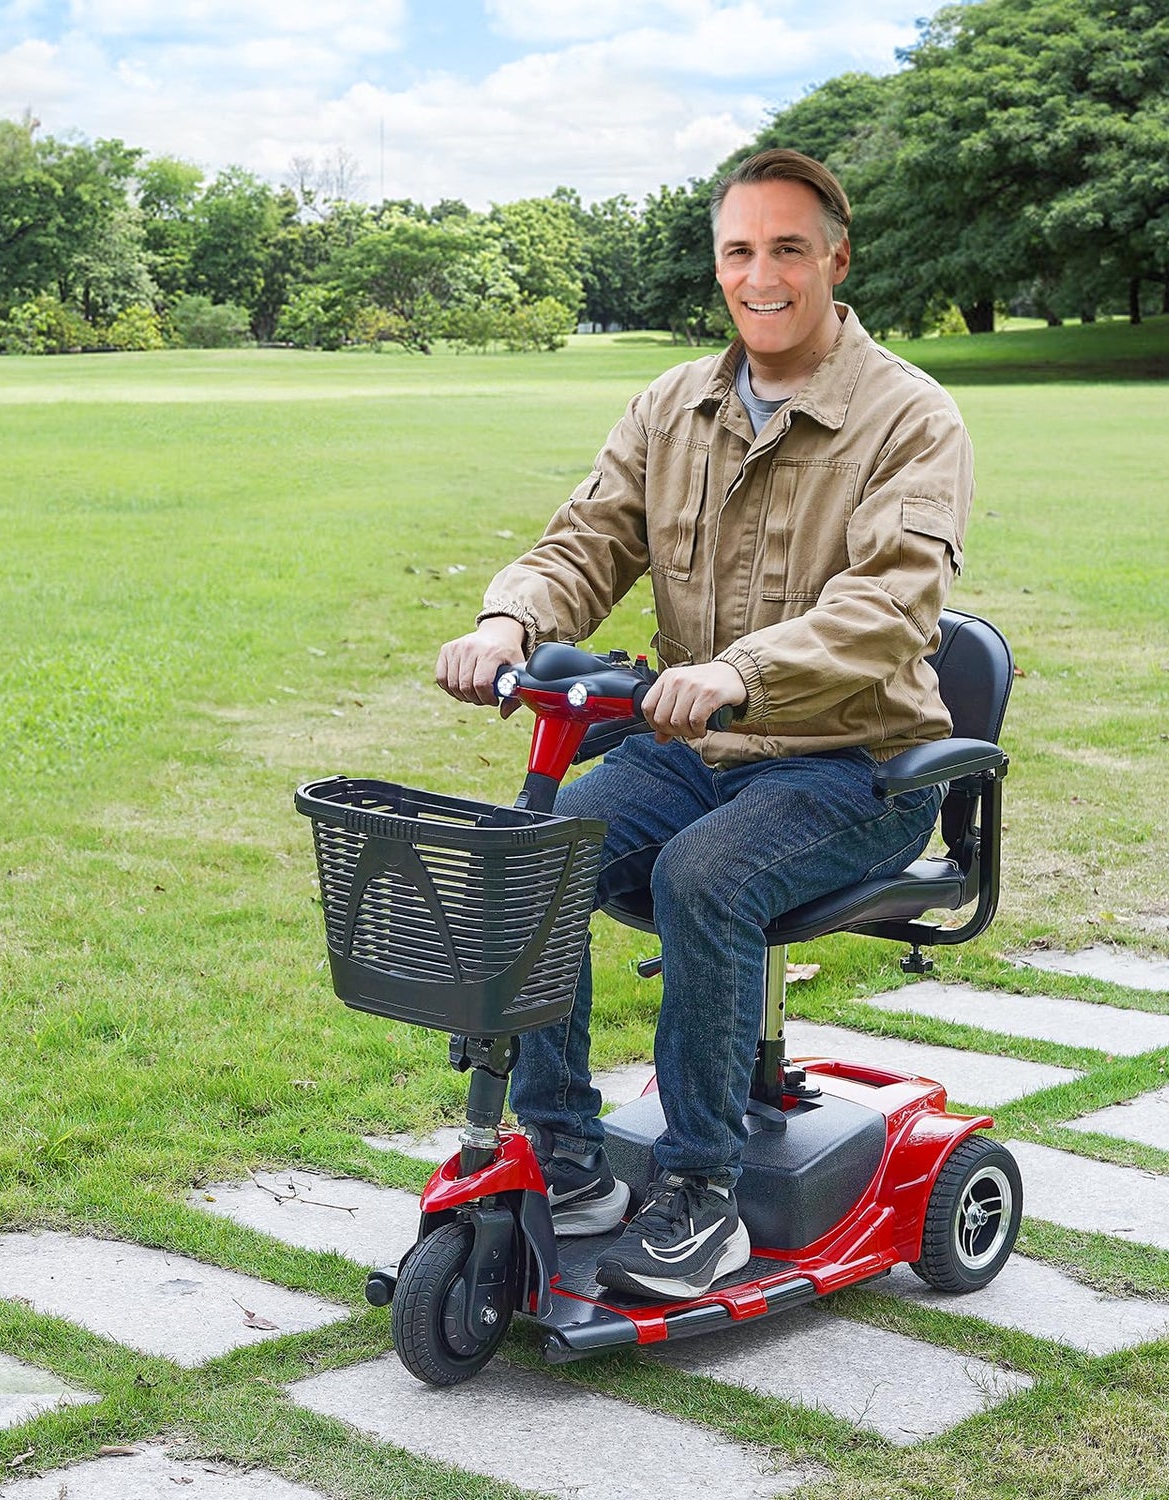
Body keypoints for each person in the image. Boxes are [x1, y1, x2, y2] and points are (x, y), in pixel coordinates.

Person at [436, 149, 972, 1301]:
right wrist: (506, 622)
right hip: (697, 752)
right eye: (740, 250)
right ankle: (570, 1163)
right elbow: (584, 543)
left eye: (788, 248)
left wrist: (737, 671)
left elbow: (887, 609)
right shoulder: (671, 405)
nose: (761, 274)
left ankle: (701, 1195)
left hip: (855, 767)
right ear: (718, 264)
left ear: (836, 256)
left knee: (704, 877)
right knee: (534, 860)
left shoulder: (911, 418)